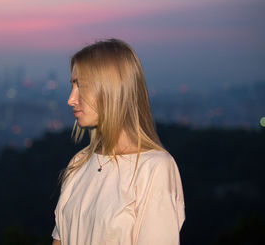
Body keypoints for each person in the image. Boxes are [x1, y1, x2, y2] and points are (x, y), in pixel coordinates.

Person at [52, 39, 185, 245]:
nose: (71, 98)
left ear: (112, 90)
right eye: (73, 86)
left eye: (82, 86)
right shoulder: (78, 164)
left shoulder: (154, 168)